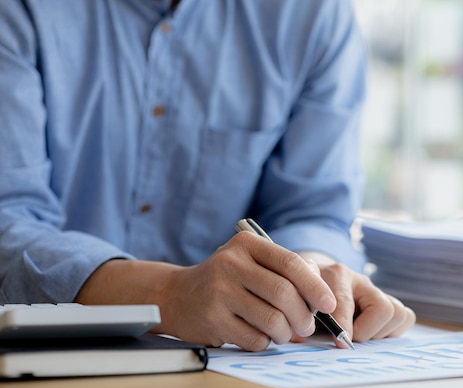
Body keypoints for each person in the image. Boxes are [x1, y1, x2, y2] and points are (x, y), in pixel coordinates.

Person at [0, 0, 415, 351]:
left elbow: (314, 209)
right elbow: (7, 221)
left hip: (236, 377)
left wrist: (307, 273)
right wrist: (168, 294)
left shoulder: (311, 13)